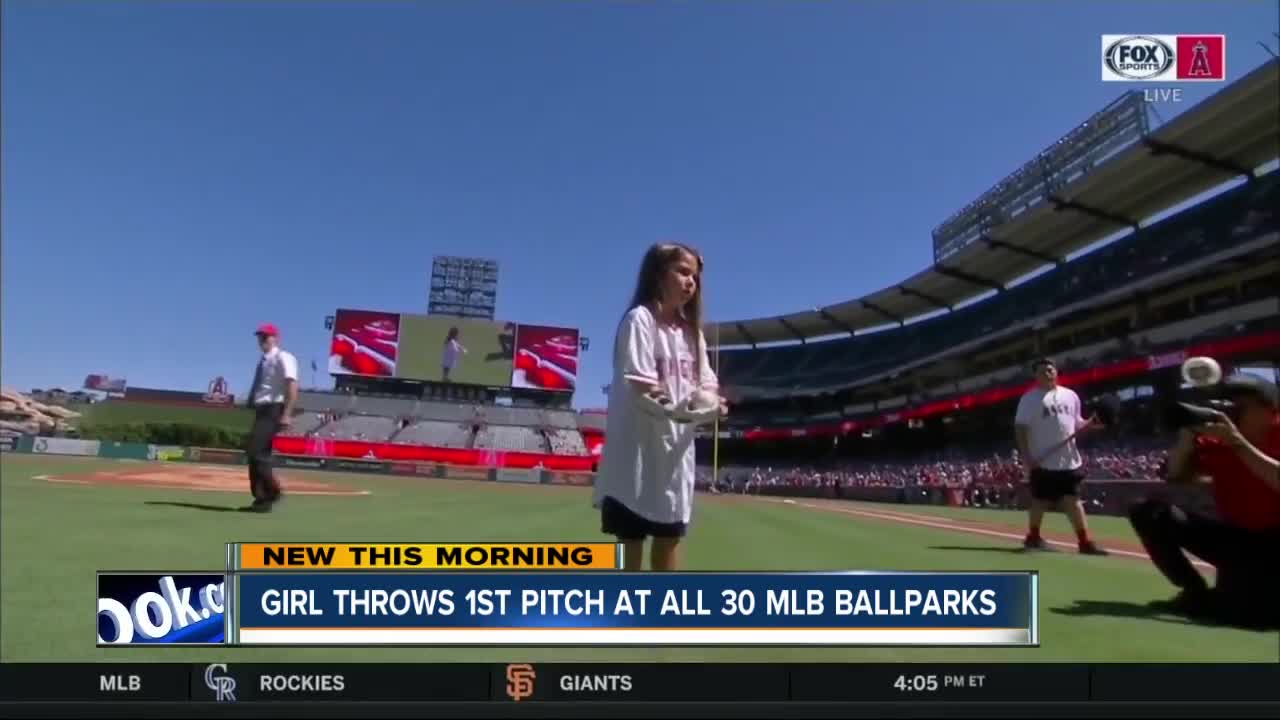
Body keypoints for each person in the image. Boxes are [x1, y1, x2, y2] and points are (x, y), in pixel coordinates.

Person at [592, 242, 727, 571]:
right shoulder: (640, 321)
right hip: (636, 451)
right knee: (631, 539)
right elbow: (643, 387)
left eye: (694, 276)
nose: (690, 282)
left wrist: (712, 404)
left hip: (674, 456)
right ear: (657, 274)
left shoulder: (693, 334)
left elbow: (707, 384)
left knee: (669, 539)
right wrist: (685, 412)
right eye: (682, 272)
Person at [1128, 374, 1280, 629]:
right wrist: (1186, 442)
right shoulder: (1218, 441)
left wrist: (1238, 444)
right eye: (1227, 405)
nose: (1231, 414)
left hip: (1274, 542)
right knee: (1150, 512)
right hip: (1237, 536)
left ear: (1270, 409)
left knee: (1250, 618)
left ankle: (1225, 599)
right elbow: (1175, 476)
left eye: (1240, 407)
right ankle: (1194, 591)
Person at [1014, 357, 1108, 554]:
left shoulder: (1071, 396)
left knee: (1073, 500)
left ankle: (1085, 542)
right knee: (1040, 500)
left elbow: (1077, 424)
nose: (1047, 374)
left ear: (1056, 372)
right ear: (1035, 376)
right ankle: (1033, 537)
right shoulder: (1029, 399)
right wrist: (1027, 456)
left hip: (1069, 460)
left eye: (1050, 370)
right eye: (1042, 371)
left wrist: (1091, 424)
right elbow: (1020, 429)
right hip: (1042, 460)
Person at [244, 323, 299, 513]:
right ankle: (262, 500)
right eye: (260, 337)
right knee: (259, 454)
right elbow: (261, 384)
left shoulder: (284, 357)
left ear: (275, 338)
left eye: (266, 337)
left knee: (255, 450)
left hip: (274, 408)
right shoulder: (263, 360)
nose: (262, 340)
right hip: (261, 408)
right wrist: (251, 399)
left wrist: (287, 413)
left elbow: (291, 385)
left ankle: (272, 491)